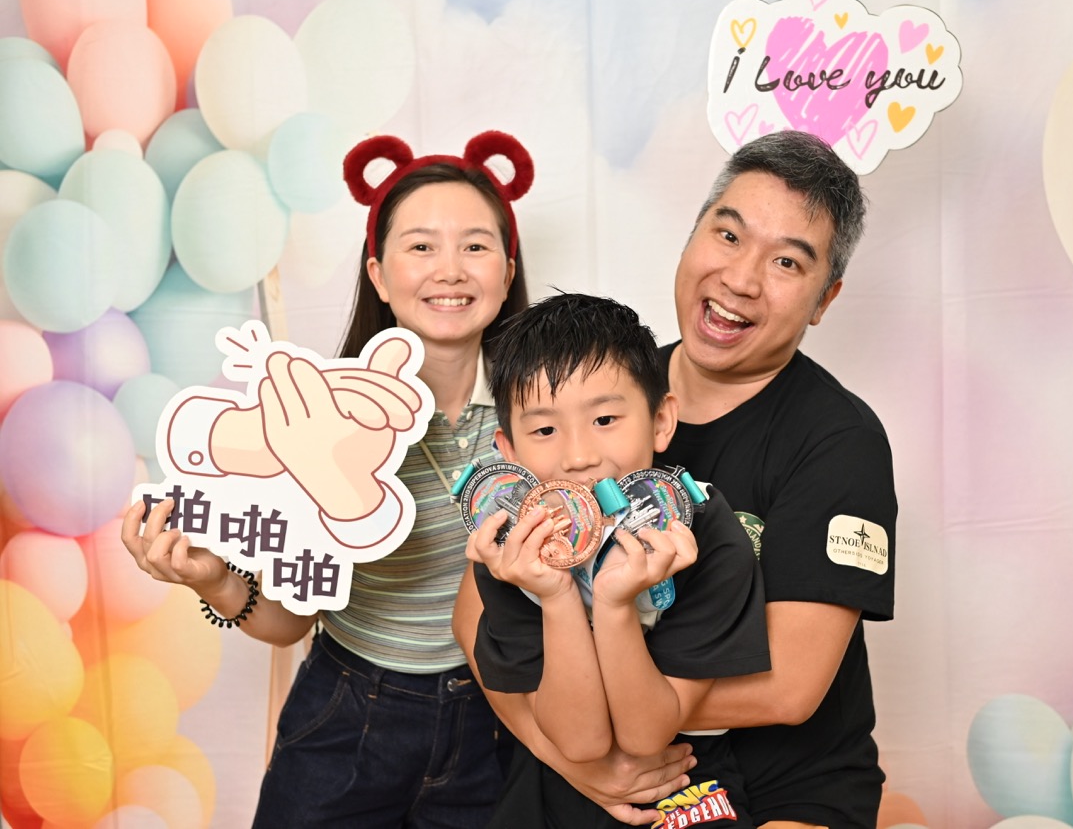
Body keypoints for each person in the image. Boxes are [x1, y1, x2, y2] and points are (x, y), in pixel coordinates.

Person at [454, 129, 896, 829]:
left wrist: (611, 715)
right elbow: (475, 615)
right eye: (728, 235)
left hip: (777, 779)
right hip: (585, 756)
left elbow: (790, 689)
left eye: (786, 261)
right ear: (692, 238)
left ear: (824, 298)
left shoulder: (840, 443)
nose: (741, 278)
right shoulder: (594, 389)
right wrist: (566, 751)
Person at [121, 131, 537, 828]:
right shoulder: (315, 419)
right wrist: (213, 580)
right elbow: (292, 622)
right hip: (348, 714)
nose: (450, 269)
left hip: (499, 720)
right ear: (379, 274)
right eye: (421, 246)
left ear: (507, 268)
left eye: (475, 245)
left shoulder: (547, 420)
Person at [464, 293, 770, 828]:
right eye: (544, 430)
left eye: (605, 418)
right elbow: (580, 742)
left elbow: (647, 735)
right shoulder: (511, 548)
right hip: (551, 784)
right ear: (508, 452)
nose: (579, 456)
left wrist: (613, 602)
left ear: (660, 420)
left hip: (685, 781)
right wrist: (556, 594)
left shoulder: (704, 530)